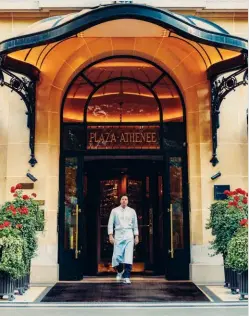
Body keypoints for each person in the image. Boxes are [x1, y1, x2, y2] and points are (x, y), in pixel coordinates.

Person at [108, 194, 139, 284]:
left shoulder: (132, 211)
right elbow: (110, 223)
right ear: (120, 200)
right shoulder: (114, 211)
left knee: (128, 256)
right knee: (117, 256)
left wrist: (136, 236)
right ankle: (120, 271)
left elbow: (135, 224)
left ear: (128, 201)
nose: (124, 200)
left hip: (129, 235)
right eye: (122, 199)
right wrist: (110, 235)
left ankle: (127, 276)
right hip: (118, 234)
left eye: (126, 199)